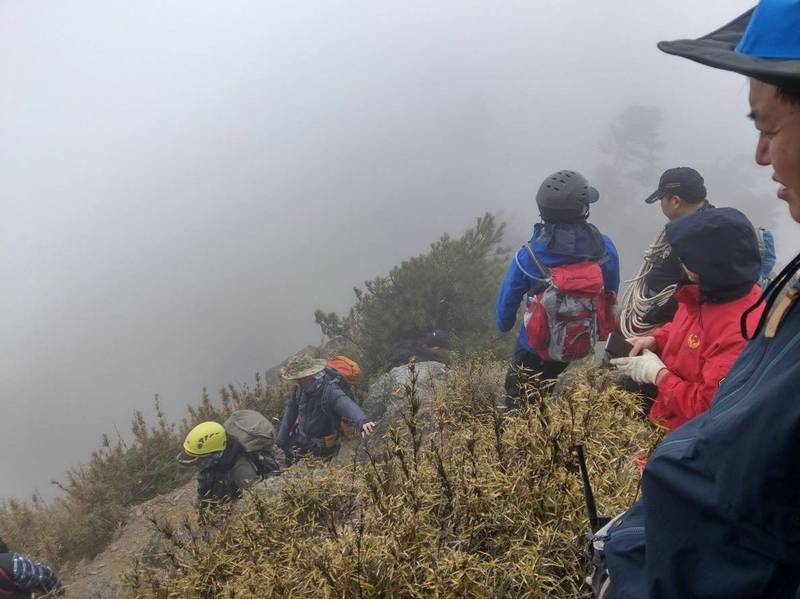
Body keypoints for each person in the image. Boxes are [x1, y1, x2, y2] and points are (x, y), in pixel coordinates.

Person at [604, 3, 800, 597]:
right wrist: (655, 343)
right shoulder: (760, 304)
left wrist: (627, 567)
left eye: (767, 128)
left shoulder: (744, 316)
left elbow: (739, 510)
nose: (760, 156)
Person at [611, 207, 763, 430]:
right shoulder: (713, 292)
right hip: (667, 416)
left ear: (706, 266)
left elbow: (709, 408)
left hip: (686, 440)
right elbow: (687, 326)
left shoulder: (739, 330)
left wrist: (659, 376)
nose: (681, 263)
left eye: (686, 257)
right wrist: (656, 339)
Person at [496, 170, 620, 404]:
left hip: (532, 346)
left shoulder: (528, 256)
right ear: (582, 210)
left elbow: (505, 309)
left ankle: (523, 433)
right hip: (577, 341)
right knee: (549, 386)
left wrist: (505, 324)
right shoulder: (604, 247)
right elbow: (611, 291)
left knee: (518, 399)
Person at [619, 167, 714, 337]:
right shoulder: (695, 224)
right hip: (665, 318)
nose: (661, 204)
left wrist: (653, 316)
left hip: (669, 323)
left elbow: (692, 288)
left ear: (675, 201)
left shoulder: (696, 235)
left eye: (661, 199)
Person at [276, 354, 375, 464]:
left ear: (311, 374)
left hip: (320, 446)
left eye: (300, 378)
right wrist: (281, 438)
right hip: (300, 437)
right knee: (288, 459)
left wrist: (362, 421)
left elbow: (343, 402)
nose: (297, 382)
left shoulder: (329, 390)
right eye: (296, 379)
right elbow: (291, 411)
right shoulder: (299, 389)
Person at [177, 420, 264, 505]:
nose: (197, 464)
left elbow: (257, 501)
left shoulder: (242, 470)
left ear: (214, 454)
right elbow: (203, 496)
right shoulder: (208, 467)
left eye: (200, 460)